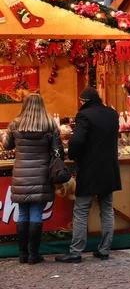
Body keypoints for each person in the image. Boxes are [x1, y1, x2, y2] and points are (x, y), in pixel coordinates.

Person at [55, 88, 121, 264]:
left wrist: (73, 155)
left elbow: (76, 141)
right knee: (107, 209)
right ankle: (105, 250)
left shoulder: (84, 115)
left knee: (81, 210)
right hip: (110, 168)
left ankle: (76, 251)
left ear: (84, 101)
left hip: (91, 169)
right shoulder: (112, 113)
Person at [2, 94, 64, 264]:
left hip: (21, 174)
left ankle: (22, 254)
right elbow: (59, 152)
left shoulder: (16, 123)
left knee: (22, 213)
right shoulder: (50, 124)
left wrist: (4, 137)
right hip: (42, 174)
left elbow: (7, 146)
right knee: (36, 213)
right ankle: (34, 254)